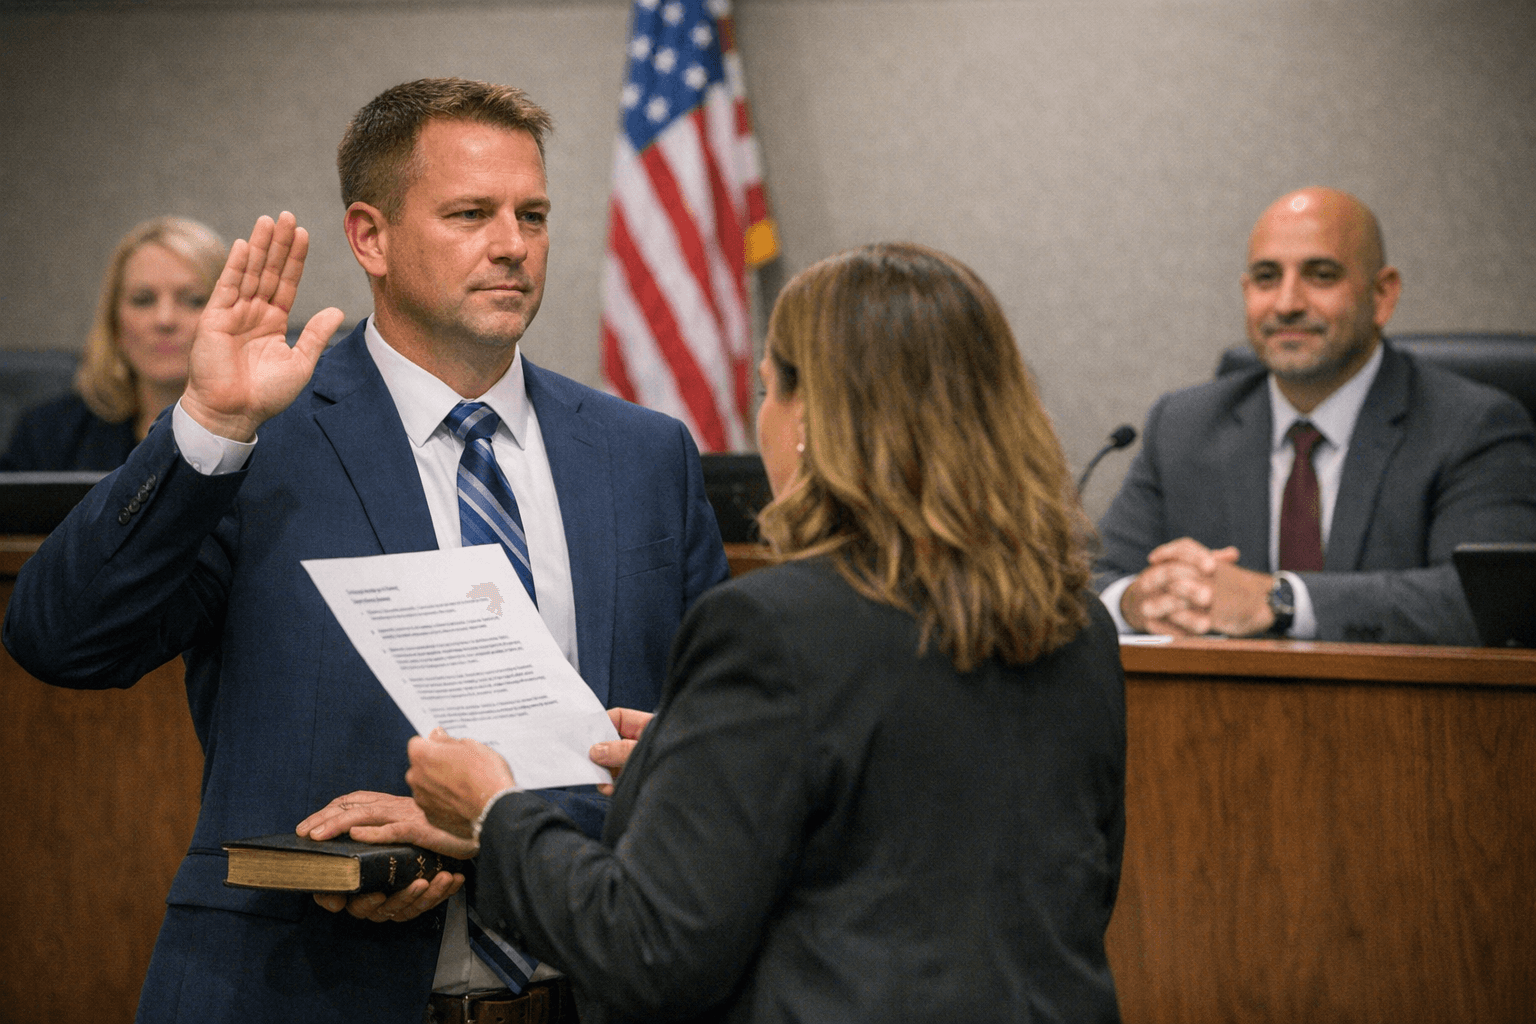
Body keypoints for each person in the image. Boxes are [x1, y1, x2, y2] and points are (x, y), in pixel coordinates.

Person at [2, 79, 728, 1023]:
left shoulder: (644, 454)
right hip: (301, 990)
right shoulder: (264, 444)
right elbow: (64, 642)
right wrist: (211, 424)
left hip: (589, 993)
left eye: (533, 213)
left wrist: (488, 830)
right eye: (471, 213)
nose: (513, 244)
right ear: (370, 238)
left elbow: (716, 762)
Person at [402, 243, 1128, 1024]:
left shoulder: (771, 630)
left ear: (812, 416)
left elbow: (648, 950)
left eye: (768, 389)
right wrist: (693, 769)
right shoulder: (1078, 622)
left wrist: (495, 811)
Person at [1095, 186, 1536, 645]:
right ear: (1247, 292)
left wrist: (1279, 601)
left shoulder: (1472, 425)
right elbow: (1082, 583)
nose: (1287, 303)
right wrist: (1137, 600)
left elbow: (1489, 604)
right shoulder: (1184, 426)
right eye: (1266, 278)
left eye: (1321, 275)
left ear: (1382, 295)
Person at [0, 216, 225, 470]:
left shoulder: (271, 441)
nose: (165, 320)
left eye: (193, 300)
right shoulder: (46, 436)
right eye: (143, 300)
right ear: (114, 323)